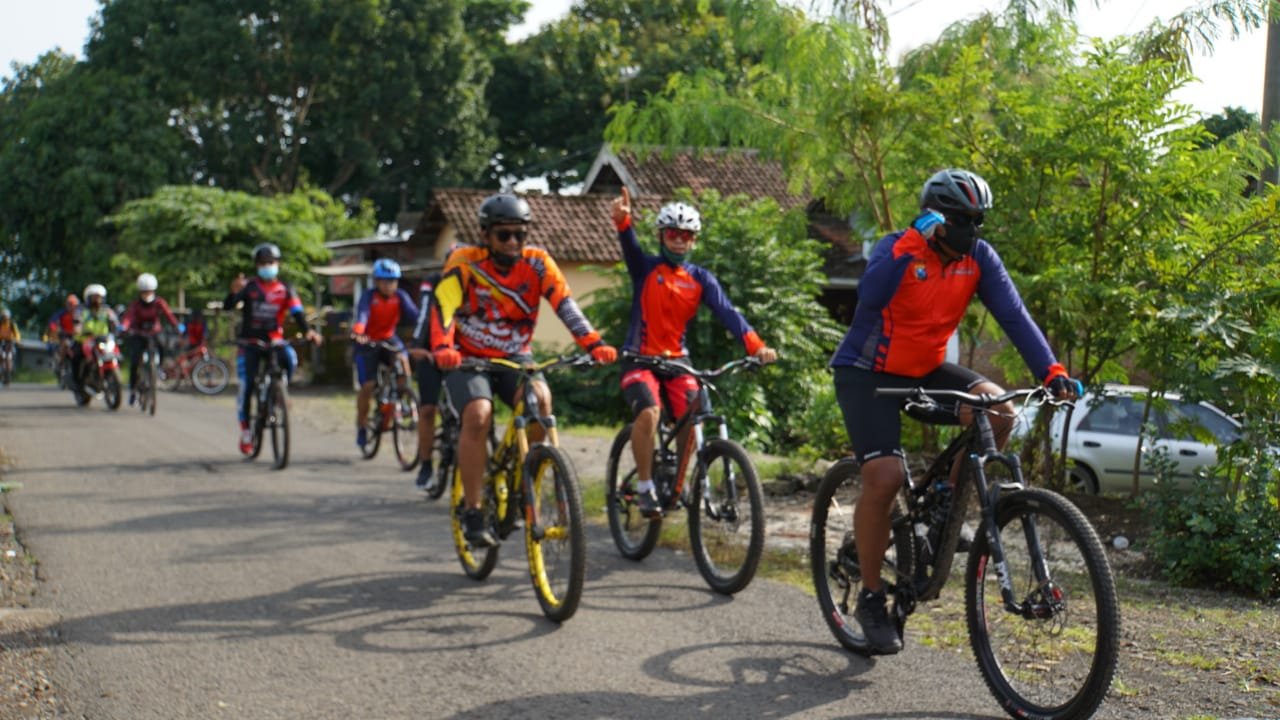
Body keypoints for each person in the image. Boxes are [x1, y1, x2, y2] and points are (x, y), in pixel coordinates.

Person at [829, 168, 1080, 655]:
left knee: (1001, 412)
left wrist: (1051, 369)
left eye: (978, 220)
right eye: (964, 220)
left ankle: (945, 505)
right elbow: (871, 295)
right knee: (882, 477)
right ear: (936, 219)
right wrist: (907, 247)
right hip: (866, 373)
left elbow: (1014, 315)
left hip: (925, 369)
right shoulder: (896, 248)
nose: (974, 230)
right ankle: (872, 598)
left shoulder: (979, 258)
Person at [427, 193, 618, 547]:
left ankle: (523, 478)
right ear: (485, 234)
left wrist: (593, 342)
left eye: (520, 234)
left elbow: (566, 305)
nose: (513, 242)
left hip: (516, 357)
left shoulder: (539, 263)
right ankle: (472, 510)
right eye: (504, 235)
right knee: (478, 413)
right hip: (468, 358)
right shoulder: (464, 261)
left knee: (542, 400)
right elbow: (444, 307)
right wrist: (442, 347)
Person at [609, 187, 779, 518]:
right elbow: (630, 248)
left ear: (694, 240)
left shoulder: (700, 278)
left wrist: (757, 347)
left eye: (686, 235)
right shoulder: (646, 270)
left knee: (696, 410)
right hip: (639, 360)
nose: (679, 240)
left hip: (677, 361)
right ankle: (644, 487)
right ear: (662, 236)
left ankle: (676, 485)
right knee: (649, 413)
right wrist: (623, 222)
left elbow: (729, 313)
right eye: (672, 233)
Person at [224, 243, 323, 455]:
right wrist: (233, 293)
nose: (267, 266)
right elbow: (229, 306)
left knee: (290, 359)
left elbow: (297, 313)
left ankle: (279, 392)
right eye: (263, 263)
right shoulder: (249, 287)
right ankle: (246, 432)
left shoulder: (286, 289)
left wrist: (309, 332)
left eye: (271, 263)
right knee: (247, 385)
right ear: (257, 266)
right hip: (250, 343)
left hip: (275, 341)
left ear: (277, 264)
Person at [351, 258, 419, 451]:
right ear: (376, 281)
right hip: (368, 342)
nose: (389, 285)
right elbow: (362, 315)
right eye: (384, 281)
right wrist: (358, 331)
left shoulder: (401, 296)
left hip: (389, 338)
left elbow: (415, 315)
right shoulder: (368, 296)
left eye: (393, 281)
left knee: (403, 360)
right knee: (368, 386)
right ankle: (362, 425)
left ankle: (403, 396)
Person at [119, 273, 182, 406]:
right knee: (135, 360)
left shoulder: (159, 302)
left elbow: (168, 314)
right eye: (144, 292)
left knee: (162, 345)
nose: (146, 294)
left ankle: (158, 368)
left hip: (154, 333)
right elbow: (128, 317)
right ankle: (133, 391)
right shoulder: (135, 305)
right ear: (140, 292)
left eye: (149, 291)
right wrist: (124, 326)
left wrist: (177, 325)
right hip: (139, 333)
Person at [408, 269, 444, 492]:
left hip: (467, 353)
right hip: (431, 351)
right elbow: (423, 314)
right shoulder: (433, 281)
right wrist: (417, 344)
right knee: (428, 409)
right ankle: (426, 464)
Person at [72, 285, 119, 393]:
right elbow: (77, 322)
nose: (97, 300)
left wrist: (120, 329)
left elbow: (115, 321)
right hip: (84, 339)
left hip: (103, 339)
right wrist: (78, 329)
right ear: (88, 298)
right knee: (76, 357)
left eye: (99, 297)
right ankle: (78, 383)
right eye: (94, 297)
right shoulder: (81, 310)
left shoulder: (106, 310)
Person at [46, 294, 79, 379]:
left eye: (73, 305)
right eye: (69, 304)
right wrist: (54, 328)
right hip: (64, 335)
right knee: (65, 344)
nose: (71, 307)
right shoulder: (62, 313)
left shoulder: (80, 313)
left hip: (77, 336)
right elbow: (52, 322)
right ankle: (60, 363)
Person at [0, 309, 19, 385]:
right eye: (3, 317)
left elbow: (17, 333)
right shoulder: (0, 323)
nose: (5, 318)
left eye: (6, 317)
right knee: (1, 356)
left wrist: (17, 340)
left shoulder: (12, 324)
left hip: (9, 342)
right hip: (1, 341)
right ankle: (2, 370)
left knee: (9, 356)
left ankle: (9, 373)